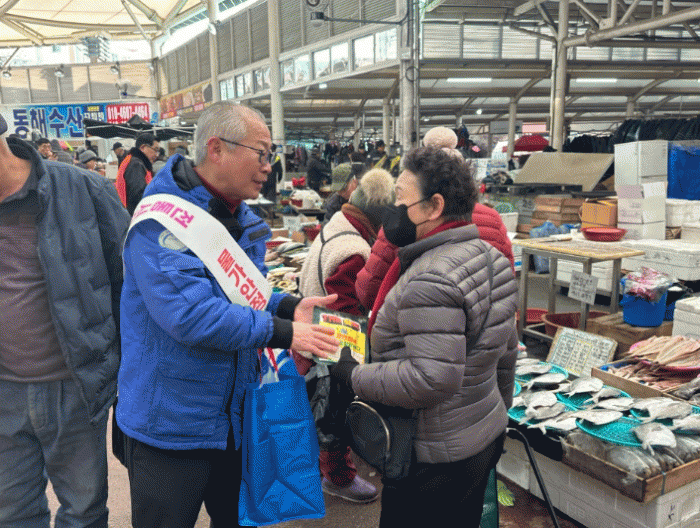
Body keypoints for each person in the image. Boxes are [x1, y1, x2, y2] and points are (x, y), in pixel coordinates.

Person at [116, 101, 340, 528]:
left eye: (271, 155)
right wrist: (284, 331)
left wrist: (289, 306)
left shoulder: (239, 215)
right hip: (171, 425)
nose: (268, 167)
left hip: (233, 417)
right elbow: (192, 315)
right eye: (261, 153)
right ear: (216, 149)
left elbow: (244, 293)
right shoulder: (161, 223)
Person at [331, 146, 518, 527]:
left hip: (434, 458)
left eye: (401, 198)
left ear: (434, 206)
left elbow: (430, 379)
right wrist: (495, 418)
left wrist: (353, 374)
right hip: (480, 438)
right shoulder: (490, 257)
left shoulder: (430, 278)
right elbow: (507, 352)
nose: (393, 211)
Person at [0, 113, 130, 527]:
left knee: (83, 511)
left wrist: (122, 369)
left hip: (75, 385)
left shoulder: (82, 189)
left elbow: (129, 282)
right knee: (12, 513)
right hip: (3, 392)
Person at [297, 168, 394, 504]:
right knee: (332, 415)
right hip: (328, 347)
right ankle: (338, 477)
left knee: (318, 413)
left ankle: (320, 469)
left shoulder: (337, 224)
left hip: (311, 336)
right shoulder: (353, 249)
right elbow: (346, 312)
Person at [354, 127, 515, 312]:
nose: (395, 205)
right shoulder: (492, 219)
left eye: (400, 196)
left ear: (435, 204)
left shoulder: (406, 223)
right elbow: (506, 283)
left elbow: (367, 291)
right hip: (490, 322)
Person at [115, 132, 159, 214]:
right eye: (155, 150)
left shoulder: (133, 160)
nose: (157, 154)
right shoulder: (136, 164)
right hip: (135, 215)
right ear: (143, 147)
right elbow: (138, 196)